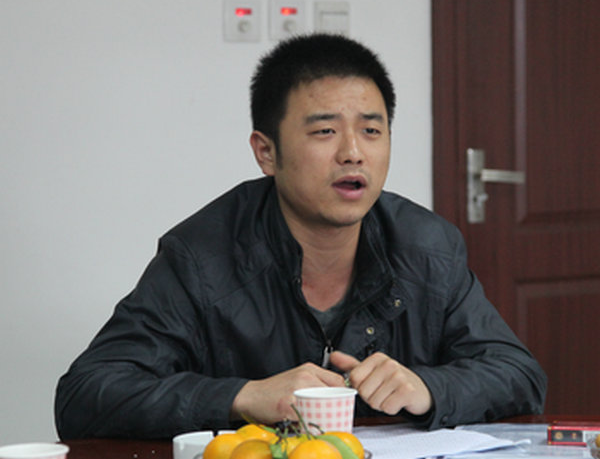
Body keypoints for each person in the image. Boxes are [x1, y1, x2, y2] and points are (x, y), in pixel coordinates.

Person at [54, 33, 546, 439]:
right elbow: (87, 394)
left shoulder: (427, 247)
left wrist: (430, 388)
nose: (353, 153)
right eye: (325, 132)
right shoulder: (202, 256)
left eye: (371, 131)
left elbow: (519, 374)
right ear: (266, 153)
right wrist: (244, 397)